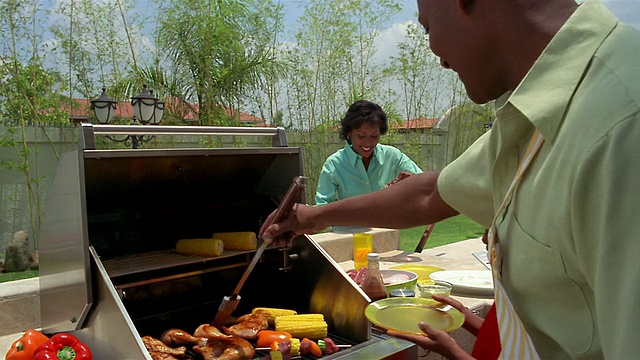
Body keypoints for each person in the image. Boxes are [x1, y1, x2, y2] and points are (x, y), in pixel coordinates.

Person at [260, 0, 640, 358]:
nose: (436, 54)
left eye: (428, 26)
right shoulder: (539, 117)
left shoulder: (622, 122)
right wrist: (313, 216)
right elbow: (428, 193)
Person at [314, 100, 422, 207]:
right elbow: (322, 206)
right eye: (361, 136)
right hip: (349, 224)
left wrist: (410, 184)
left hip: (385, 224)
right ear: (348, 133)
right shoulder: (334, 164)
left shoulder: (392, 157)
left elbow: (425, 184)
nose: (368, 143)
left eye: (374, 136)